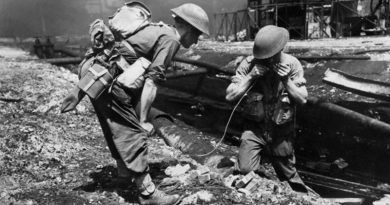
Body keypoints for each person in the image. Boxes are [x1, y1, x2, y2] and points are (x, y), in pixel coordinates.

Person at [89, 3, 209, 205]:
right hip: (111, 81)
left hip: (97, 75)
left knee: (114, 128)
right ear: (188, 28)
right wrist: (143, 120)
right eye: (197, 34)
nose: (196, 41)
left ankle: (123, 177)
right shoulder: (171, 40)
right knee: (133, 133)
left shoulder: (158, 28)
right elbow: (152, 81)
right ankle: (148, 193)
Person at [225, 25, 309, 192]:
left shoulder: (292, 64)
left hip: (281, 132)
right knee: (244, 171)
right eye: (264, 58)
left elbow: (302, 99)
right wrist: (250, 77)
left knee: (290, 178)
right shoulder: (249, 65)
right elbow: (229, 96)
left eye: (271, 57)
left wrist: (286, 81)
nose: (268, 61)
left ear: (280, 50)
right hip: (254, 130)